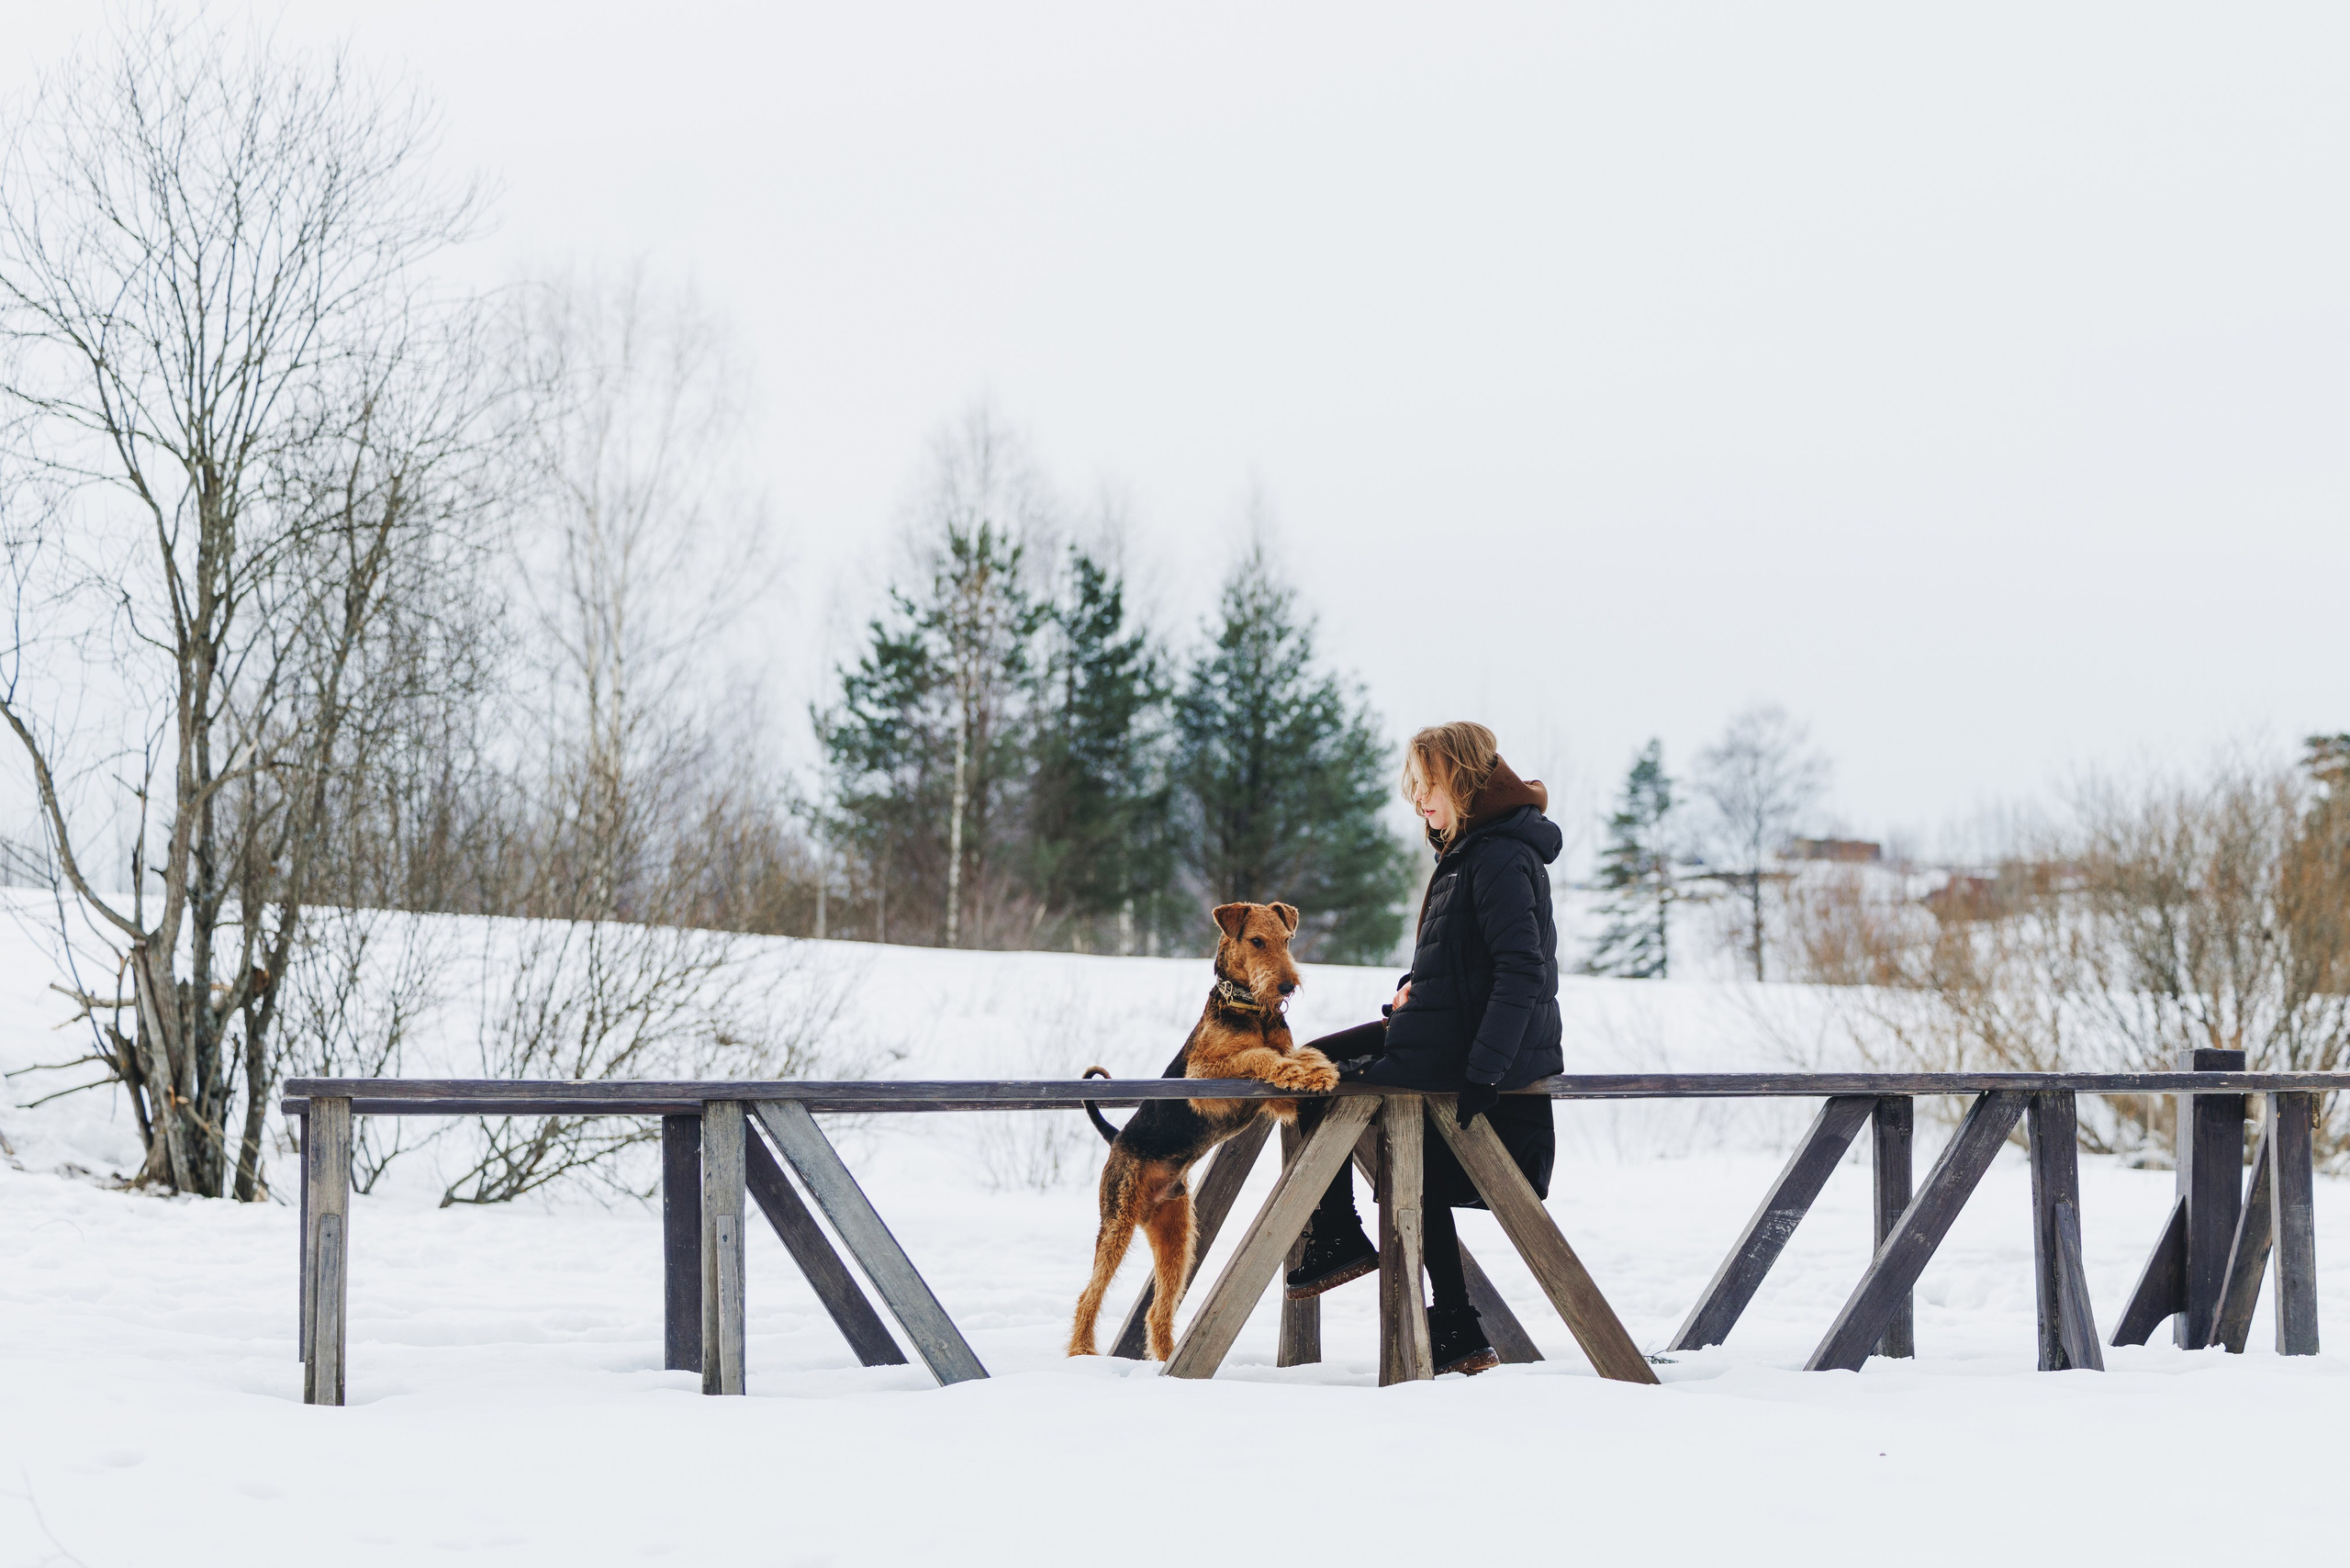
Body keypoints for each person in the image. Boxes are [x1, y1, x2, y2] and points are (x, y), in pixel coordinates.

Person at [1286, 721, 1564, 1375]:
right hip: (1446, 1038)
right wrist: (1414, 989)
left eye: (1427, 784)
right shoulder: (1473, 851)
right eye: (1413, 787)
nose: (1418, 800)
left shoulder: (1497, 856)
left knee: (1322, 1082)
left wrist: (1484, 1071)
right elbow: (1465, 963)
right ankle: (1453, 1323)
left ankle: (1341, 1239)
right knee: (1312, 1071)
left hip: (1473, 1058)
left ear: (1463, 781)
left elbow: (1521, 971)